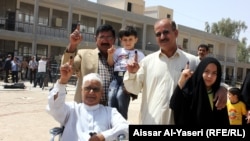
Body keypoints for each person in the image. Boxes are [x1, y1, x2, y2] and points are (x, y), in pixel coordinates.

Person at [123, 18, 227, 124]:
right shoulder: (146, 62)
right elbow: (133, 89)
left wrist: (223, 88)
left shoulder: (192, 61)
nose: (162, 37)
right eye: (158, 34)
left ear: (176, 33)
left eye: (166, 32)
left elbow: (210, 77)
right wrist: (131, 73)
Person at [46, 57, 129, 141]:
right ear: (81, 90)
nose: (91, 92)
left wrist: (103, 136)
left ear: (101, 93)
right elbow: (54, 107)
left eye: (96, 89)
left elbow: (126, 128)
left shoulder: (110, 112)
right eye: (88, 88)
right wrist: (63, 81)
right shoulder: (72, 109)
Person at [61, 24, 116, 105]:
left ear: (114, 40)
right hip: (88, 108)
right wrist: (73, 45)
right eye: (101, 37)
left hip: (112, 109)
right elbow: (67, 66)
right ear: (95, 39)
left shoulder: (120, 58)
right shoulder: (83, 54)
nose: (105, 40)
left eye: (109, 37)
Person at [170, 57, 229, 125]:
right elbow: (174, 105)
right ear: (200, 71)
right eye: (206, 71)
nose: (210, 76)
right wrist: (181, 80)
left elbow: (223, 120)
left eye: (214, 73)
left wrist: (223, 88)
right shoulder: (190, 91)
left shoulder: (219, 95)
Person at [107, 25, 145, 119]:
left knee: (121, 96)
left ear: (136, 39)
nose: (128, 42)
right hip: (116, 78)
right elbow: (110, 63)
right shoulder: (118, 51)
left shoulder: (139, 54)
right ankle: (111, 120)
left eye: (130, 39)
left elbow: (142, 69)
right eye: (125, 39)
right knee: (111, 96)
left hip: (127, 78)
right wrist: (110, 55)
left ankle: (122, 121)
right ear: (120, 40)